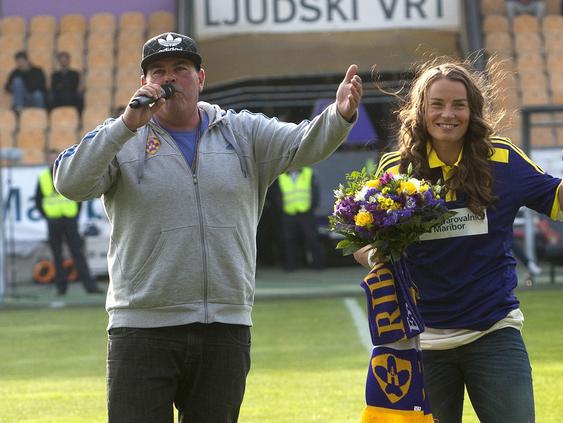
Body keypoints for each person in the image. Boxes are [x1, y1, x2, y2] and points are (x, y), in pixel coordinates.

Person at [53, 31, 361, 422]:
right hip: (142, 328)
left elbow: (305, 142)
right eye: (158, 70)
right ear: (143, 82)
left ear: (200, 78)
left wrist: (340, 116)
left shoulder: (242, 131)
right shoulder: (122, 138)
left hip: (225, 326)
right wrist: (125, 125)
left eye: (180, 69)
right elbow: (70, 183)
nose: (169, 79)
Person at [353, 58, 563, 423]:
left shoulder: (503, 158)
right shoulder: (396, 169)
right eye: (438, 104)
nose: (448, 114)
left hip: (493, 332)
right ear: (421, 110)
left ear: (472, 110)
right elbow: (361, 240)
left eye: (458, 105)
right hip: (422, 343)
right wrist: (376, 258)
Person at [34, 149, 102, 296]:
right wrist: (47, 216)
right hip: (53, 221)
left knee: (77, 252)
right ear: (47, 161)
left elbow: (78, 195)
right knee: (57, 255)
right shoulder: (43, 177)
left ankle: (90, 287)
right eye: (51, 159)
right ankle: (61, 288)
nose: (53, 162)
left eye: (55, 158)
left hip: (70, 220)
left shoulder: (68, 174)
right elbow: (38, 200)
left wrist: (75, 215)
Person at [276, 166, 325, 271]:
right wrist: (281, 209)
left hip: (306, 212)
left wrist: (312, 207)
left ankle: (318, 265)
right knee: (289, 240)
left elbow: (315, 191)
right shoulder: (281, 176)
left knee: (312, 238)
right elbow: (277, 195)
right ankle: (291, 266)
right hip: (288, 212)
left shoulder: (308, 172)